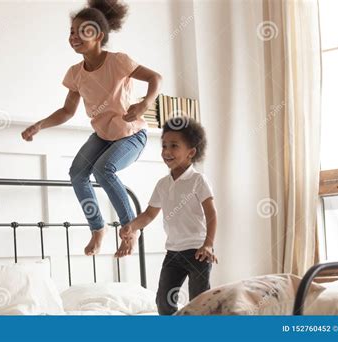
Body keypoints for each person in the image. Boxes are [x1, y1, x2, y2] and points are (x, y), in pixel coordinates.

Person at [21, 0, 162, 256]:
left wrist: (144, 105)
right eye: (71, 32)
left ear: (98, 35)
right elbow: (67, 111)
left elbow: (156, 78)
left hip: (131, 135)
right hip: (103, 136)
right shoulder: (75, 73)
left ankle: (130, 229)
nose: (74, 36)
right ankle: (98, 228)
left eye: (81, 31)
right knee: (77, 173)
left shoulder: (118, 61)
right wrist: (39, 125)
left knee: (103, 169)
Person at [115, 117, 218, 315]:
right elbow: (148, 214)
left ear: (191, 152)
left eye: (173, 146)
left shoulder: (198, 181)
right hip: (173, 253)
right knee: (163, 301)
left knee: (199, 302)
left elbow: (212, 214)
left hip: (198, 251)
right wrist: (131, 227)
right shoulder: (163, 184)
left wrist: (208, 244)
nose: (166, 152)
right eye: (164, 146)